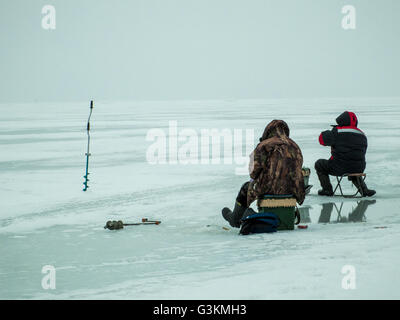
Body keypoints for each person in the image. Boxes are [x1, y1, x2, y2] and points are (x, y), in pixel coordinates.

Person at [222, 120, 305, 228]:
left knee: (245, 188)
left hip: (269, 189)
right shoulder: (295, 146)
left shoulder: (264, 145)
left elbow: (253, 172)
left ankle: (235, 219)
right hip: (293, 189)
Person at [315, 111, 376, 197]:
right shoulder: (362, 134)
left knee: (319, 164)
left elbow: (321, 140)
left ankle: (327, 190)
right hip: (359, 168)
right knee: (353, 163)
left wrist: (332, 131)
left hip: (339, 167)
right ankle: (364, 190)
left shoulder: (338, 131)